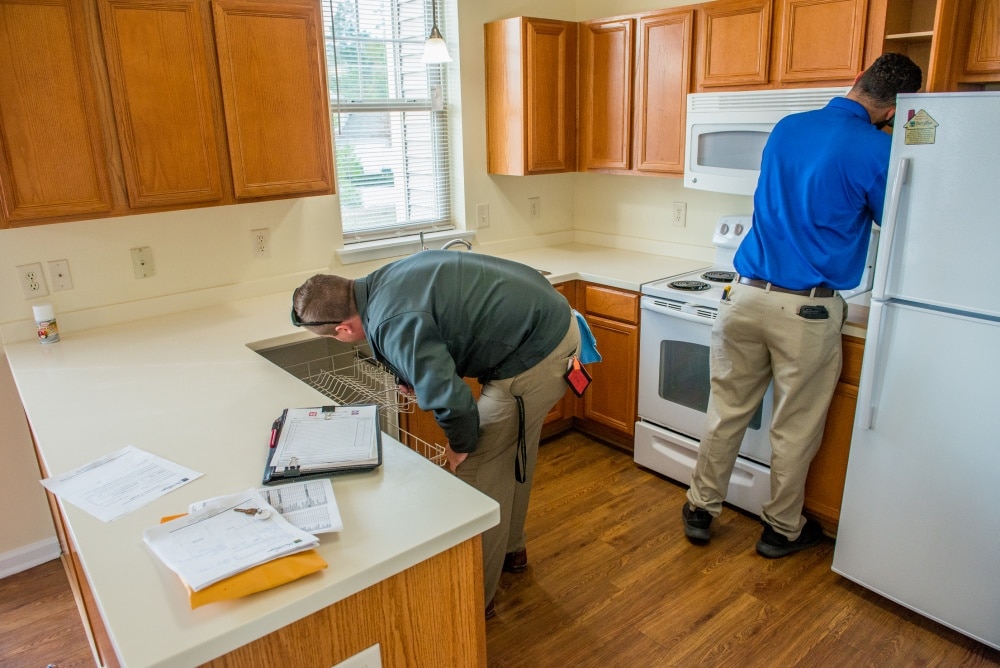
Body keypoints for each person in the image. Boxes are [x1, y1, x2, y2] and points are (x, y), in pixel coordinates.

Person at [682, 53, 923, 558]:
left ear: (858, 80)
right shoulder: (877, 149)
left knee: (726, 411)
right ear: (894, 108)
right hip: (807, 310)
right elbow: (898, 220)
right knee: (794, 428)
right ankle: (780, 529)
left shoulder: (788, 127)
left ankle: (701, 508)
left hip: (743, 294)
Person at [292, 250, 582, 617]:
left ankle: (477, 600)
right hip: (552, 325)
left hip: (537, 354)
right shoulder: (380, 280)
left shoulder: (390, 321)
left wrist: (461, 446)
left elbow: (454, 401)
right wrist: (412, 375)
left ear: (343, 329)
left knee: (477, 475)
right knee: (509, 452)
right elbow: (439, 326)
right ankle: (513, 550)